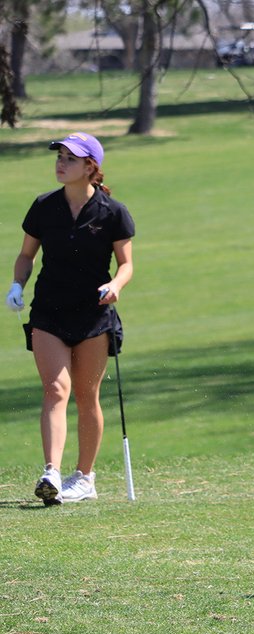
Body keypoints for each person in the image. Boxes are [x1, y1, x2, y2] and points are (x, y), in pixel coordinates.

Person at [6, 132, 135, 506]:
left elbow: (126, 265)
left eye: (70, 158)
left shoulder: (112, 212)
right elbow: (27, 255)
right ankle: (51, 471)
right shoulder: (44, 206)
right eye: (59, 156)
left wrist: (115, 284)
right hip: (48, 311)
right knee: (55, 390)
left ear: (90, 167)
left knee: (86, 394)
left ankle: (84, 477)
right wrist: (17, 284)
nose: (61, 163)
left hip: (93, 314)